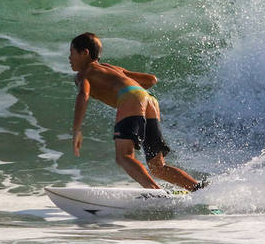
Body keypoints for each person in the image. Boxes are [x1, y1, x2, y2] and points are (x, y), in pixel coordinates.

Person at [67, 32, 206, 191]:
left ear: (85, 53)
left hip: (131, 98)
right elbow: (151, 80)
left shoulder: (83, 74)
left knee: (123, 156)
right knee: (157, 166)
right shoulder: (113, 69)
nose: (69, 58)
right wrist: (123, 85)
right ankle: (198, 188)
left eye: (72, 53)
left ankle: (154, 191)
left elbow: (83, 95)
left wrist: (77, 130)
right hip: (150, 100)